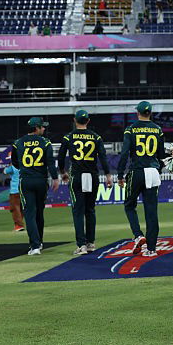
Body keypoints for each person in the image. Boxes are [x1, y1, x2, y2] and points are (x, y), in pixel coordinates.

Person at [57, 109, 112, 255]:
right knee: (90, 210)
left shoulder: (69, 137)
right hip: (92, 176)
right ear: (88, 121)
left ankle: (81, 245)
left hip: (77, 176)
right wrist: (108, 175)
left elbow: (61, 157)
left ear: (75, 120)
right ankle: (91, 243)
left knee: (78, 211)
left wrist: (62, 172)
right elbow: (103, 158)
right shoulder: (96, 137)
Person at [117, 101, 164, 257]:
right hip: (152, 171)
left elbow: (124, 154)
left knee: (129, 205)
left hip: (137, 171)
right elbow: (161, 155)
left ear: (137, 113)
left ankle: (138, 235)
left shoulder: (131, 129)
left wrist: (119, 174)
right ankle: (151, 249)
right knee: (152, 212)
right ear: (150, 113)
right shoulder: (158, 129)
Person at [11, 117, 60, 255]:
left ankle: (35, 245)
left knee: (29, 213)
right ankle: (40, 242)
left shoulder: (18, 143)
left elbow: (15, 162)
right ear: (36, 128)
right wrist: (55, 178)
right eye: (42, 127)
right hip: (41, 180)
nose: (44, 129)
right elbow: (50, 162)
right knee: (39, 212)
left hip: (26, 180)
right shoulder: (45, 142)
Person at [6, 163, 25, 232]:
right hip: (23, 190)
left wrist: (9, 165)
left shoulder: (12, 167)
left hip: (14, 191)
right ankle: (21, 224)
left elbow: (5, 171)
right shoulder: (24, 165)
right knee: (22, 208)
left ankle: (18, 225)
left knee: (15, 209)